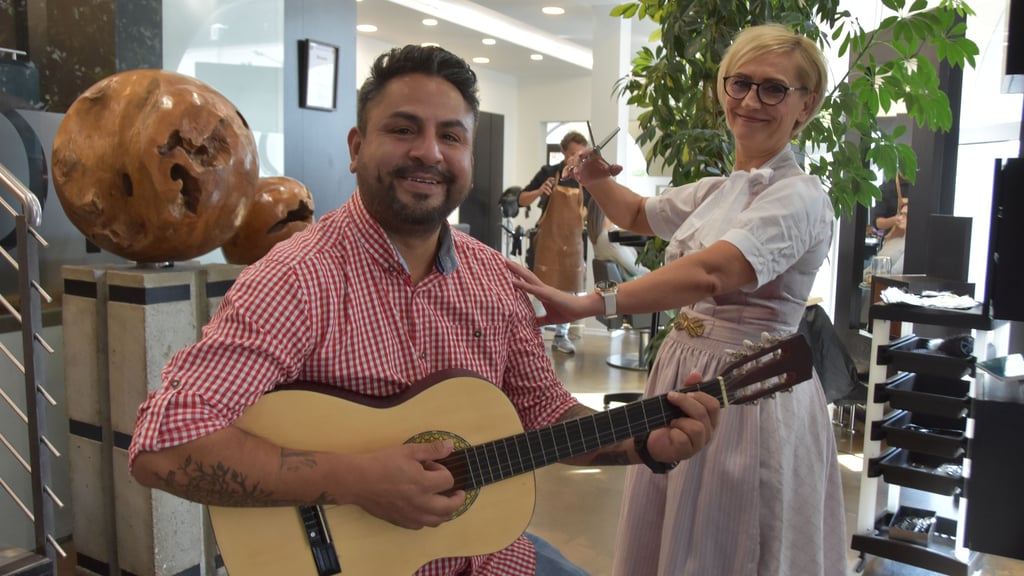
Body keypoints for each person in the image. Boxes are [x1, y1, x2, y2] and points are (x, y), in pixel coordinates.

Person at [128, 44, 721, 576]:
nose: (429, 153)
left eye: (451, 136)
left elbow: (543, 414)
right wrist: (353, 479)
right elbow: (163, 446)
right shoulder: (295, 281)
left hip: (493, 557)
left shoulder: (492, 278)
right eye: (403, 129)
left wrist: (642, 443)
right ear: (357, 148)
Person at [510, 24, 847, 575]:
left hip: (749, 384)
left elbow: (715, 272)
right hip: (687, 369)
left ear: (806, 104)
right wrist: (593, 176)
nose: (751, 101)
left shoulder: (800, 195)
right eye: (740, 84)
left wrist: (594, 303)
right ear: (723, 89)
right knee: (672, 520)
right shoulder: (720, 188)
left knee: (734, 534)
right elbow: (638, 214)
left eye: (774, 89)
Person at [519, 131, 591, 354]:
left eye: (580, 155)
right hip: (548, 241)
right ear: (563, 152)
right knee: (540, 288)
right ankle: (535, 336)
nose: (575, 159)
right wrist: (540, 191)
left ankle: (562, 335)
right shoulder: (549, 173)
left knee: (569, 294)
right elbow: (521, 199)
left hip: (574, 244)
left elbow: (594, 211)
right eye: (571, 154)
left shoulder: (588, 180)